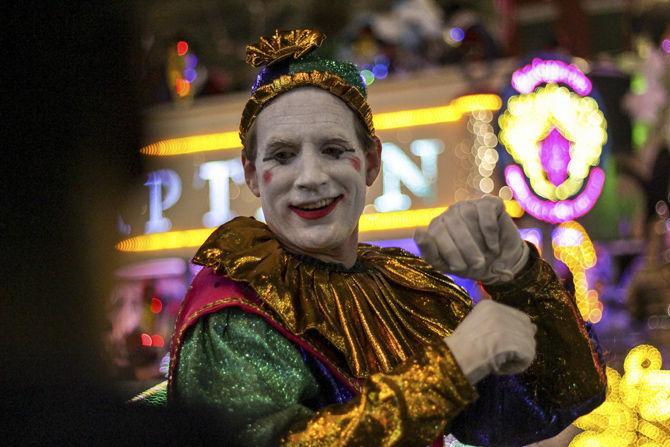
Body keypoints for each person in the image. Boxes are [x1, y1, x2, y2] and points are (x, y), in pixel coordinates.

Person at [138, 29, 606, 446]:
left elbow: (549, 404)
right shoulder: (233, 308)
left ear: (373, 163)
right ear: (253, 176)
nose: (310, 177)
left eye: (334, 150)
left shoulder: (402, 289)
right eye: (282, 155)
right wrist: (451, 367)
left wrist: (519, 277)